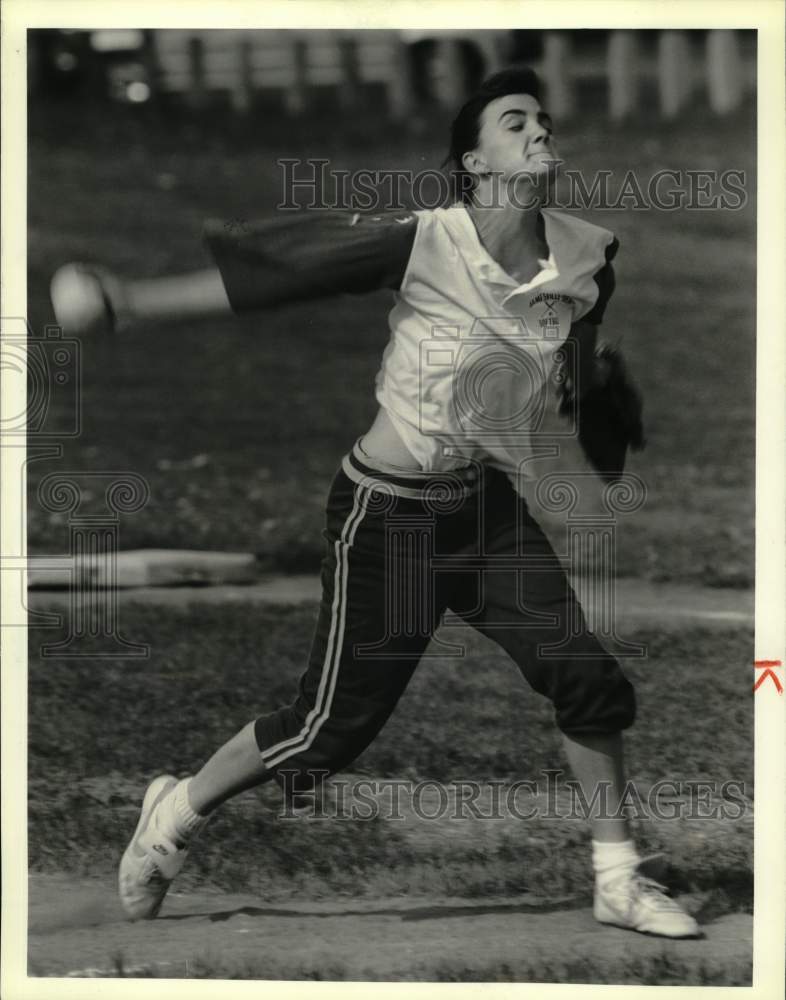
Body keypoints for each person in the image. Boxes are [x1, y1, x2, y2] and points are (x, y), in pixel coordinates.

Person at [51, 68, 699, 938]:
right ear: (475, 161)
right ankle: (176, 810)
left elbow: (573, 372)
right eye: (515, 122)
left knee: (583, 674)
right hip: (387, 517)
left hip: (485, 512)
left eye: (542, 118)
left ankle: (617, 877)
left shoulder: (588, 258)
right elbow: (288, 277)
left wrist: (596, 410)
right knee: (328, 729)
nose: (539, 129)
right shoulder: (427, 240)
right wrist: (130, 302)